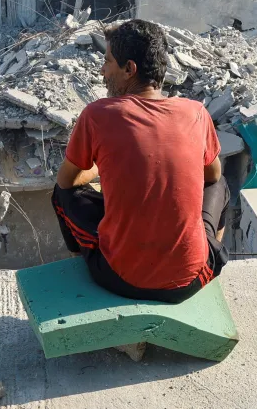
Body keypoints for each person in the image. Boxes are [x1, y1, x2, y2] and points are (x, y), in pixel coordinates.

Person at [53, 19, 229, 303]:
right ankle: (209, 253)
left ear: (129, 69)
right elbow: (213, 176)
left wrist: (100, 166)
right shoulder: (196, 112)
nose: (102, 70)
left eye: (108, 61)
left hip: (120, 280)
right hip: (189, 282)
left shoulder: (97, 114)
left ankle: (84, 264)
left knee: (61, 195)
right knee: (220, 185)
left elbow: (66, 181)